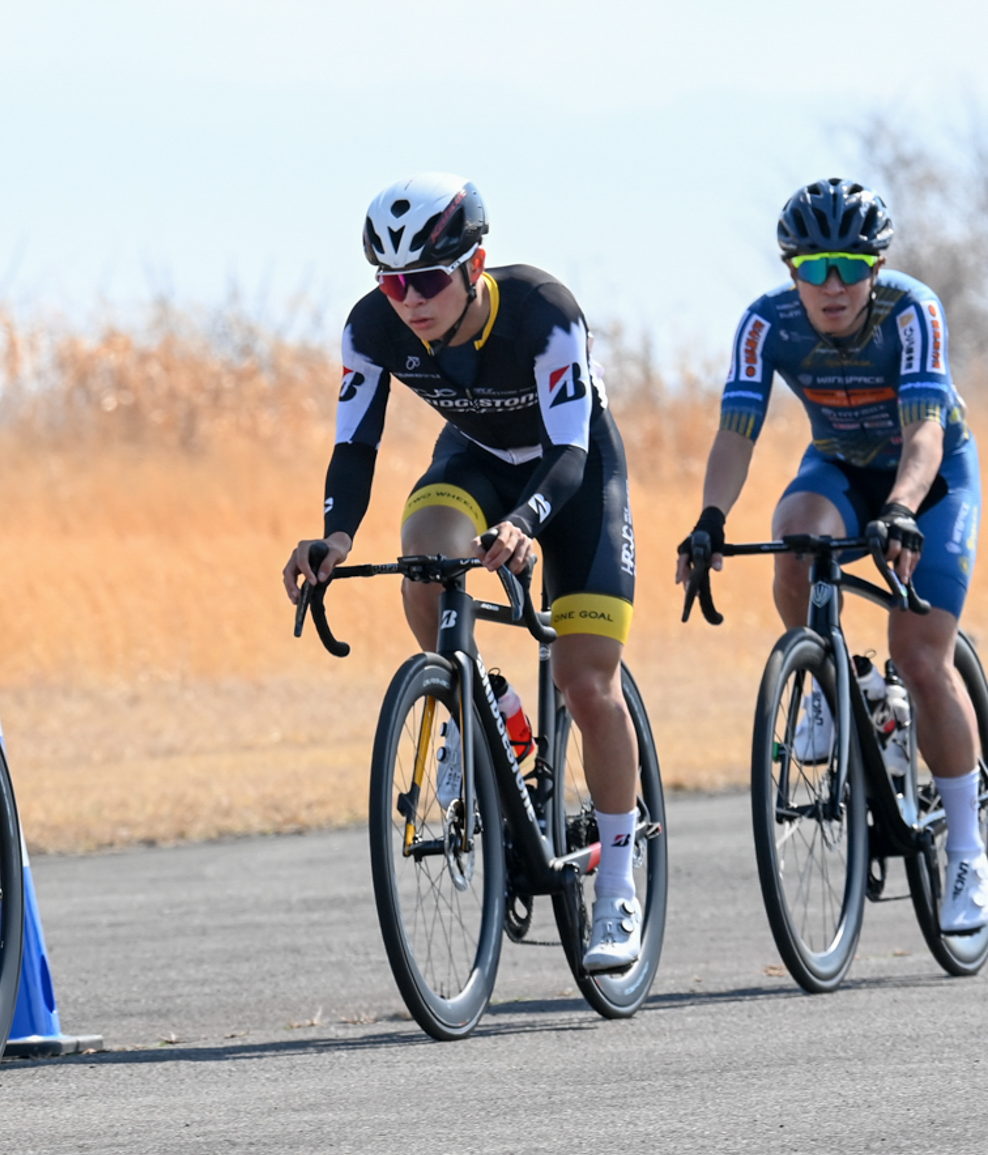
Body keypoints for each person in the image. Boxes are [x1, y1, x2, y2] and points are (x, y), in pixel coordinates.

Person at [281, 173, 645, 971]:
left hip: (570, 475)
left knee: (588, 682)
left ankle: (617, 879)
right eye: (390, 279)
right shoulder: (372, 326)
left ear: (475, 264)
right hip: (477, 459)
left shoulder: (547, 314)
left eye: (427, 280)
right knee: (426, 557)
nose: (408, 298)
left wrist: (524, 524)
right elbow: (357, 441)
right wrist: (335, 538)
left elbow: (572, 453)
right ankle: (488, 706)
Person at [676, 178, 985, 933]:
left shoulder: (914, 311)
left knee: (920, 655)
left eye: (849, 265)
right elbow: (736, 432)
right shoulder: (764, 323)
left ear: (876, 267)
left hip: (932, 477)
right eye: (814, 268)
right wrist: (710, 519)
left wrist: (904, 509)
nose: (833, 284)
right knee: (798, 535)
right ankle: (828, 684)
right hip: (841, 466)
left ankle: (970, 850)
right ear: (791, 272)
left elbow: (925, 431)